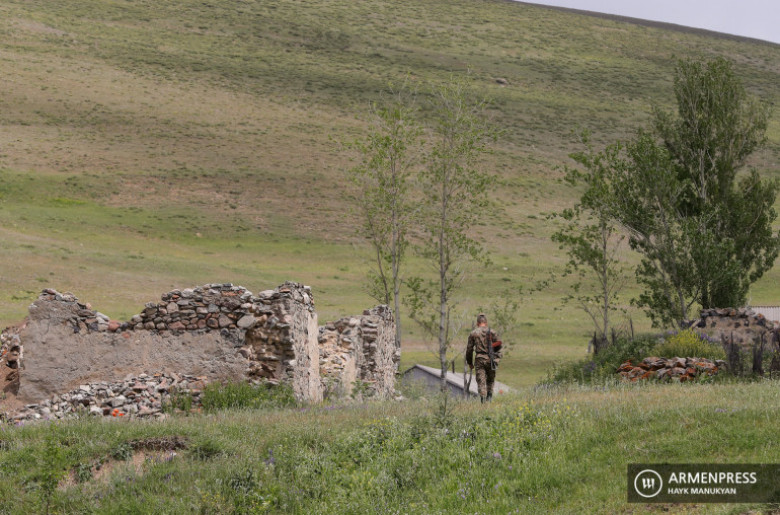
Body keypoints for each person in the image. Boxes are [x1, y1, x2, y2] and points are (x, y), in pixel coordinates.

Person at [466, 314, 502, 403]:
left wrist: (470, 362)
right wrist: (496, 360)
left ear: (477, 323)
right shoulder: (492, 332)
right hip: (491, 359)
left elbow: (469, 349)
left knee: (481, 382)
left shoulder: (474, 333)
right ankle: (489, 399)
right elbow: (498, 347)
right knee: (490, 381)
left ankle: (483, 402)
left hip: (479, 360)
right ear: (486, 323)